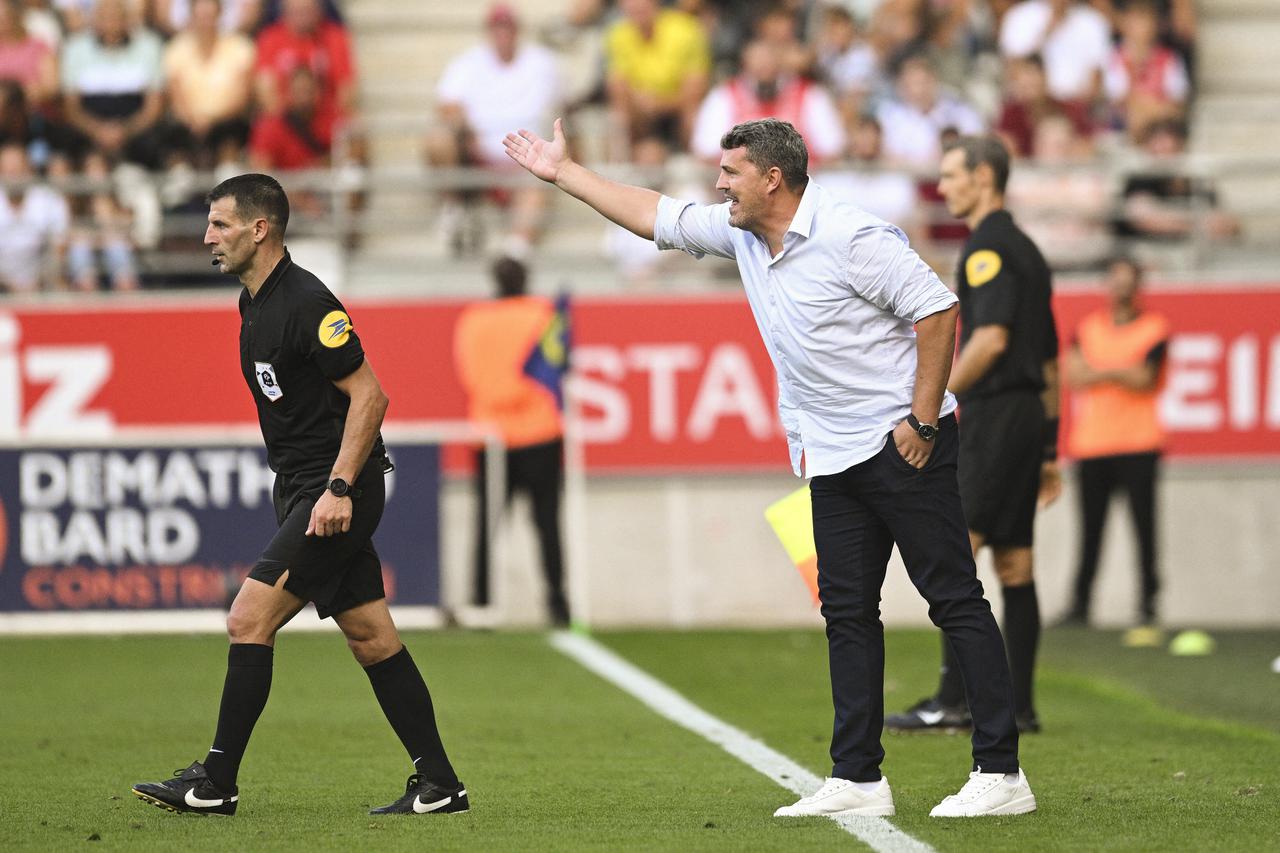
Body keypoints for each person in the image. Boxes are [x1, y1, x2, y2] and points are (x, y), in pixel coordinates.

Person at [503, 116, 1035, 817]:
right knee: (846, 612)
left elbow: (938, 309)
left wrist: (923, 420)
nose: (720, 186)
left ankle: (1001, 773)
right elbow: (653, 216)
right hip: (831, 455)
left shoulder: (851, 234)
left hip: (900, 443)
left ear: (772, 178)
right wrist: (563, 174)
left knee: (953, 598)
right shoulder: (741, 233)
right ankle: (859, 778)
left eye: (731, 174)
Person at [131, 173, 467, 817]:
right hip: (302, 487)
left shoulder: (309, 302)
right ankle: (440, 783)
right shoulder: (253, 300)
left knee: (247, 618)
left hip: (336, 489)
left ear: (261, 230)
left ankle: (215, 783)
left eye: (221, 225)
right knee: (371, 636)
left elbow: (371, 395)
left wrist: (338, 488)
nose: (208, 237)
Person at [887, 135, 1061, 735]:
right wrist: (1048, 449)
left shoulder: (987, 249)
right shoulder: (1029, 250)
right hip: (1026, 420)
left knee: (955, 551)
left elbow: (991, 340)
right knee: (1015, 562)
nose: (944, 187)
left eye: (953, 175)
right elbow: (1051, 366)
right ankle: (1020, 705)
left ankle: (953, 700)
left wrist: (928, 403)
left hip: (992, 418)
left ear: (984, 177)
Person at [453, 256, 570, 626]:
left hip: (491, 436)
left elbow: (469, 374)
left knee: (487, 525)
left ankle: (481, 602)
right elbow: (559, 362)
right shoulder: (544, 314)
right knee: (548, 523)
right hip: (540, 432)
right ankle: (557, 603)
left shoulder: (473, 320)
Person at [1063, 256, 1168, 640]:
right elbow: (1074, 375)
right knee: (1090, 530)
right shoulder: (1089, 327)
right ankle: (1080, 603)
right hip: (1093, 444)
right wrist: (1122, 369)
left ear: (1139, 286)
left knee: (1144, 529)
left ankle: (1148, 605)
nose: (1121, 289)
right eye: (1115, 281)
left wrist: (1102, 370)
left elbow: (1145, 377)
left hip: (1140, 442)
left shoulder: (1155, 327)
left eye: (1128, 282)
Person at [427, 2, 562, 258]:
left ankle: (516, 249)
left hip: (523, 159)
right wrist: (466, 130)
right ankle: (454, 207)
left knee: (539, 175)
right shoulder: (468, 63)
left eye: (507, 27)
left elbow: (562, 107)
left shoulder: (541, 63)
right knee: (439, 139)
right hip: (477, 155)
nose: (503, 34)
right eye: (497, 28)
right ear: (489, 32)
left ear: (517, 31)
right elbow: (446, 106)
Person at [689, 39, 844, 166]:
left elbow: (832, 149)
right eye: (759, 69)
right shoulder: (724, 96)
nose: (765, 74)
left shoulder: (810, 95)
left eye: (770, 67)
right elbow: (705, 151)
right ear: (745, 67)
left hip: (800, 188)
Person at [604, 0, 710, 156]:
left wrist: (658, 103)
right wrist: (640, 102)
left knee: (694, 113)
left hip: (678, 109)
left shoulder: (685, 30)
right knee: (617, 108)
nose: (636, 5)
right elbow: (618, 86)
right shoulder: (618, 35)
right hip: (641, 114)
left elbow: (696, 90)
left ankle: (700, 160)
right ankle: (622, 161)